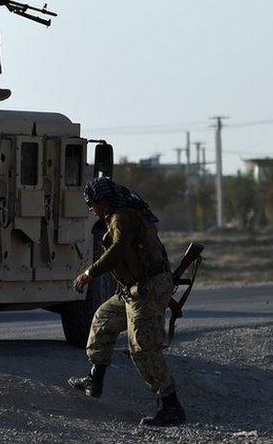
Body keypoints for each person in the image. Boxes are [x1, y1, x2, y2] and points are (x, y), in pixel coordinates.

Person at [67, 177, 187, 427]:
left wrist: (89, 273)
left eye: (92, 204)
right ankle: (95, 380)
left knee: (143, 347)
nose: (91, 209)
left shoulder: (121, 216)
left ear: (103, 201)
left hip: (148, 288)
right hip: (133, 289)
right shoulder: (120, 215)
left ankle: (171, 406)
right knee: (103, 319)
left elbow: (119, 249)